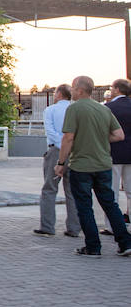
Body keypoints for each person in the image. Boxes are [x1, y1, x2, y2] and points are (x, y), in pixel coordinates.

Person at [54, 75, 131, 257]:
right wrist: (100, 139)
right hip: (103, 164)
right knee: (110, 204)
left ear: (80, 90)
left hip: (82, 166)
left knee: (85, 207)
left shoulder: (75, 109)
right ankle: (125, 242)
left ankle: (93, 247)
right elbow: (119, 135)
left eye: (73, 88)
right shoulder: (103, 109)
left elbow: (68, 138)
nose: (71, 91)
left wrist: (61, 163)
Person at [34, 84, 80, 237]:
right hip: (75, 151)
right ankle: (74, 228)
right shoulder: (76, 109)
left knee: (49, 188)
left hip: (55, 151)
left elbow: (50, 131)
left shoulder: (50, 110)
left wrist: (62, 148)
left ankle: (47, 226)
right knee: (72, 191)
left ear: (59, 94)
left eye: (55, 92)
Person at [104, 78, 131, 224]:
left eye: (112, 87)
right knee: (130, 191)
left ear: (118, 89)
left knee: (112, 192)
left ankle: (111, 225)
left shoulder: (109, 107)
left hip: (113, 153)